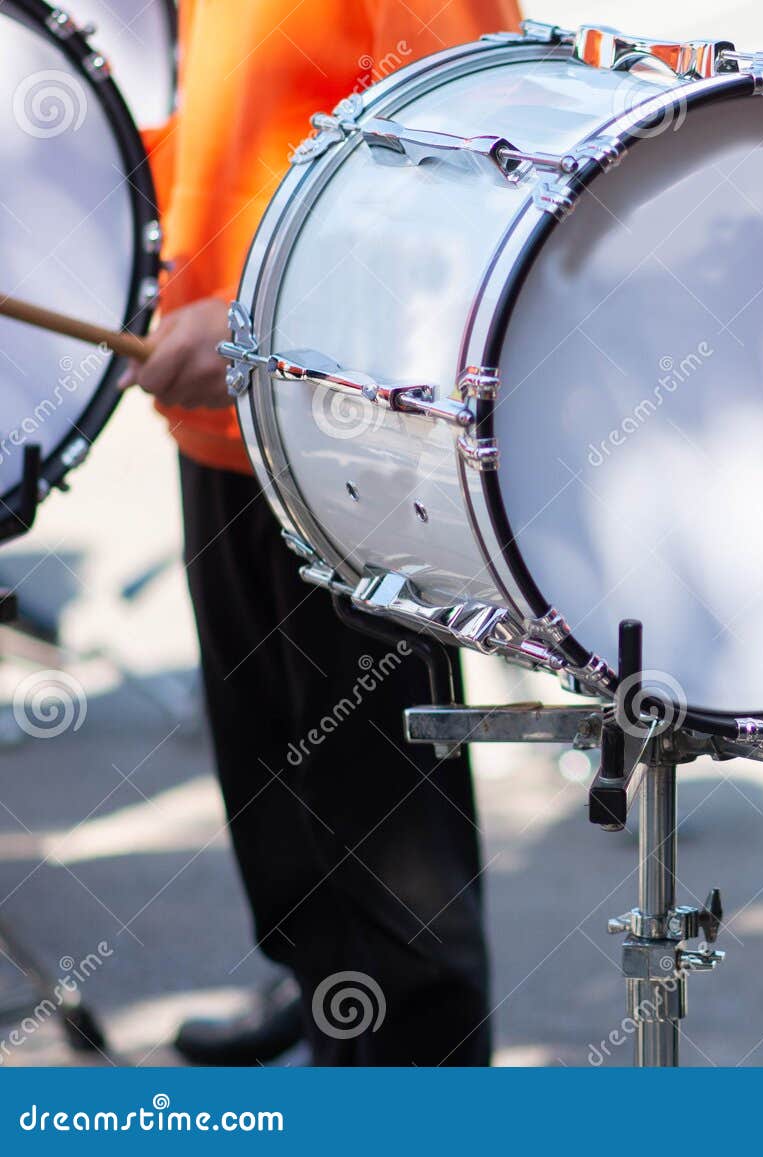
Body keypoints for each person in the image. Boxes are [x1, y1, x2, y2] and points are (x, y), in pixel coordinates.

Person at [123, 0, 522, 1064]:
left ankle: (401, 1062)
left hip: (340, 437)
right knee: (279, 798)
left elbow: (479, 154)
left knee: (392, 866)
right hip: (213, 417)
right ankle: (320, 988)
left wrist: (262, 309)